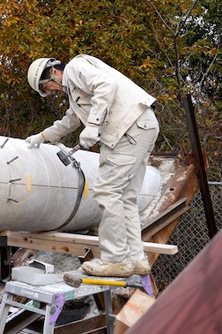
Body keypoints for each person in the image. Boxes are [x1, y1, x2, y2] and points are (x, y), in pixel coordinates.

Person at [26, 55, 159, 277]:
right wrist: (42, 136)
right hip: (140, 127)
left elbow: (106, 85)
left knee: (107, 192)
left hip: (130, 129)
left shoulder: (76, 68)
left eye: (45, 87)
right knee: (125, 198)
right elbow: (70, 120)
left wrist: (93, 126)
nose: (49, 92)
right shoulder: (75, 92)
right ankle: (136, 259)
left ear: (52, 72)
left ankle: (115, 260)